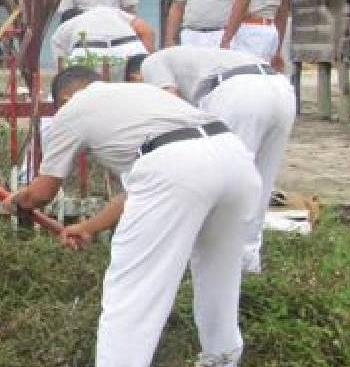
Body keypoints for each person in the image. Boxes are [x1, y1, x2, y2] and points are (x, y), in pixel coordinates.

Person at [4, 67, 260, 367]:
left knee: (133, 295)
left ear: (66, 98)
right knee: (219, 279)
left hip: (178, 168)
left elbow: (43, 192)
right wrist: (89, 227)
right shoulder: (140, 98)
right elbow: (147, 182)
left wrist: (17, 200)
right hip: (235, 159)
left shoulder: (73, 110)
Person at [125, 47, 295, 273]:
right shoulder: (194, 58)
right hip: (281, 90)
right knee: (259, 183)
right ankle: (248, 263)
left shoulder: (151, 63)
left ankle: (209, 265)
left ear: (136, 78)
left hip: (239, 93)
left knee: (222, 180)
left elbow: (170, 107)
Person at [50, 6, 155, 64]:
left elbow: (61, 67)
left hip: (88, 55)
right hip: (131, 49)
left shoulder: (63, 29)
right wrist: (146, 60)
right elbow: (147, 30)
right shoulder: (109, 10)